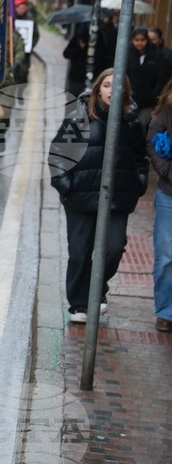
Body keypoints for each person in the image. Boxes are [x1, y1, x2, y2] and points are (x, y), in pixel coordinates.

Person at [50, 69, 149, 323]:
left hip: (118, 197)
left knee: (113, 249)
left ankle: (96, 289)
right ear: (98, 89)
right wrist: (67, 186)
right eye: (106, 85)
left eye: (118, 87)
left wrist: (138, 183)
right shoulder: (80, 116)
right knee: (80, 253)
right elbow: (59, 154)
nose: (111, 91)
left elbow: (140, 156)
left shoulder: (131, 120)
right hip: (81, 197)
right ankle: (79, 303)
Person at [148, 80, 172, 332]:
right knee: (166, 255)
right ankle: (166, 311)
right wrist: (168, 171)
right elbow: (153, 143)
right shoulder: (166, 111)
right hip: (169, 195)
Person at [127, 27, 159, 130]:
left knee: (142, 127)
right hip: (130, 99)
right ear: (132, 40)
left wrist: (154, 94)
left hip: (148, 101)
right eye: (137, 40)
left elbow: (160, 77)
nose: (140, 43)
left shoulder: (155, 54)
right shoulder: (127, 54)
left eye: (143, 40)